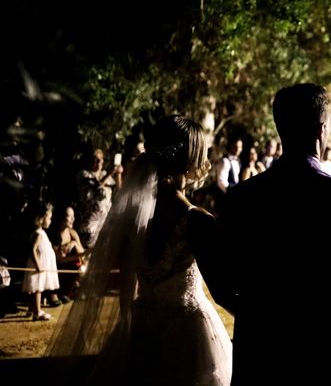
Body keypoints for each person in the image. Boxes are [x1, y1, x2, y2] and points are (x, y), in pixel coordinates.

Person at [202, 83, 331, 385]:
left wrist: (257, 315)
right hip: (324, 347)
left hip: (260, 350)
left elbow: (223, 282)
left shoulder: (243, 196)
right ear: (322, 129)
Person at [47, 115, 232, 386]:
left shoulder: (133, 216)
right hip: (189, 337)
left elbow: (128, 280)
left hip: (141, 330)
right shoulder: (197, 220)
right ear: (192, 160)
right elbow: (222, 289)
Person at [75, 148, 123, 249]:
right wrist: (111, 172)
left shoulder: (105, 174)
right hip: (89, 224)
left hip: (105, 223)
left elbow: (119, 191)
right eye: (95, 159)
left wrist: (118, 174)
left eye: (100, 159)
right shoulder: (84, 175)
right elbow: (96, 187)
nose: (98, 162)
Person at [22, 201, 59, 321]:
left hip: (41, 265)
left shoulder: (42, 233)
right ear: (41, 218)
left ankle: (31, 309)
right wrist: (38, 265)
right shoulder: (38, 234)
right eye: (49, 218)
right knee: (37, 289)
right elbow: (33, 250)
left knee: (37, 289)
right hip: (38, 266)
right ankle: (37, 312)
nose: (51, 221)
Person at [51, 206, 86, 302]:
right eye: (69, 216)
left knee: (81, 265)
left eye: (73, 216)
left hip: (69, 267)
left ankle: (69, 291)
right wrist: (75, 257)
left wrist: (74, 243)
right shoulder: (54, 235)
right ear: (62, 218)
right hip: (57, 268)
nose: (73, 219)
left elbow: (83, 254)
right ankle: (55, 293)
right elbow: (61, 259)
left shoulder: (72, 233)